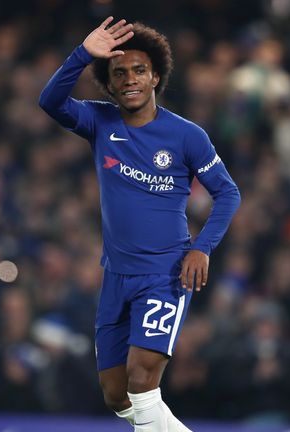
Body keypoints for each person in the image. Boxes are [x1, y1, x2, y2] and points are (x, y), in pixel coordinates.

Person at [39, 17, 241, 431]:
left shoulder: (186, 136)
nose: (129, 79)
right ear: (109, 84)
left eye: (139, 71)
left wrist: (202, 247)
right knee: (117, 395)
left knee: (142, 381)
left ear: (155, 77)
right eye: (119, 73)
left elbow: (228, 193)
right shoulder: (100, 122)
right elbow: (50, 102)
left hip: (164, 275)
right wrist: (82, 54)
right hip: (115, 276)